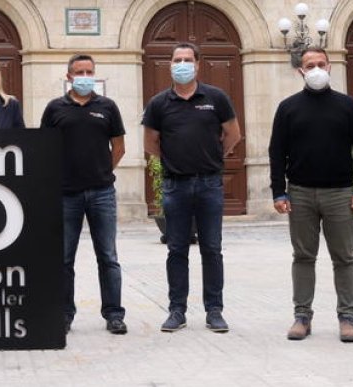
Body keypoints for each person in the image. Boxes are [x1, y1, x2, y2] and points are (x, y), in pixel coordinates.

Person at [268, 48, 353, 343]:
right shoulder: (288, 108)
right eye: (309, 65)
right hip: (299, 193)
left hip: (340, 193)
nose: (315, 69)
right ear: (300, 71)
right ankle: (302, 316)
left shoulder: (348, 106)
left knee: (344, 257)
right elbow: (277, 152)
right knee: (303, 256)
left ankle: (347, 318)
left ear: (330, 67)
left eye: (320, 64)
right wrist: (279, 191)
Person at [142, 42, 240, 334]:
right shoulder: (159, 103)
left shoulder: (216, 97)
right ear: (170, 65)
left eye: (187, 59)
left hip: (210, 184)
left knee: (212, 249)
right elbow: (150, 143)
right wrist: (176, 160)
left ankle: (214, 311)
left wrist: (213, 156)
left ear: (197, 64)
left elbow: (233, 134)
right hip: (175, 186)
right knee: (176, 250)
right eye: (176, 60)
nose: (181, 64)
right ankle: (177, 310)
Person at [39, 54, 127, 335]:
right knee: (64, 258)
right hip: (66, 196)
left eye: (89, 71)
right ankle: (64, 314)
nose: (85, 76)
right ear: (69, 77)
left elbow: (119, 147)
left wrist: (101, 171)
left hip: (102, 193)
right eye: (79, 72)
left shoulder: (108, 107)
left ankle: (114, 314)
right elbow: (44, 148)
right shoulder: (54, 109)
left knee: (108, 256)